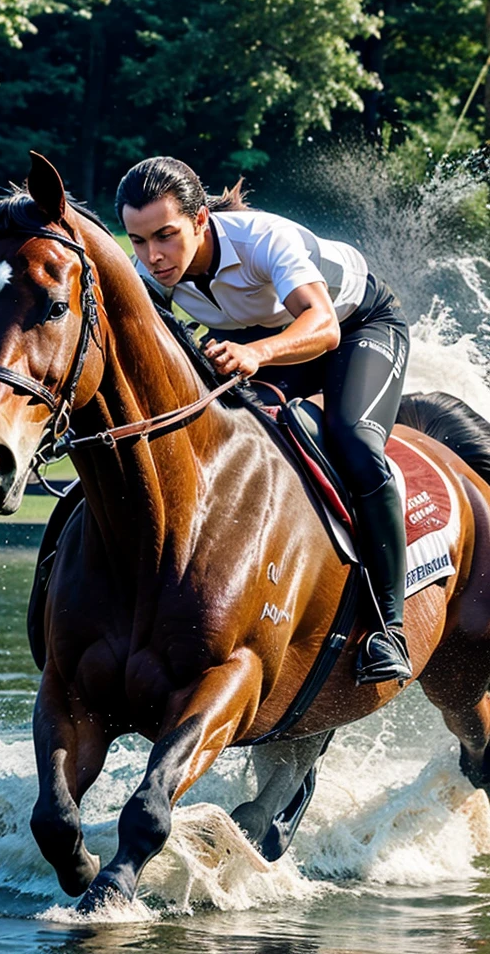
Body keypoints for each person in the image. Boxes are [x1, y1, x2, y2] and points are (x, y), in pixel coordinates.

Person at [115, 155, 412, 686]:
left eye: (165, 236)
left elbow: (322, 328)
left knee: (356, 446)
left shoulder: (262, 239)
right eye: (138, 242)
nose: (153, 258)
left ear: (201, 220)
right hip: (264, 340)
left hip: (355, 326)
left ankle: (389, 627)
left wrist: (259, 354)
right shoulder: (151, 276)